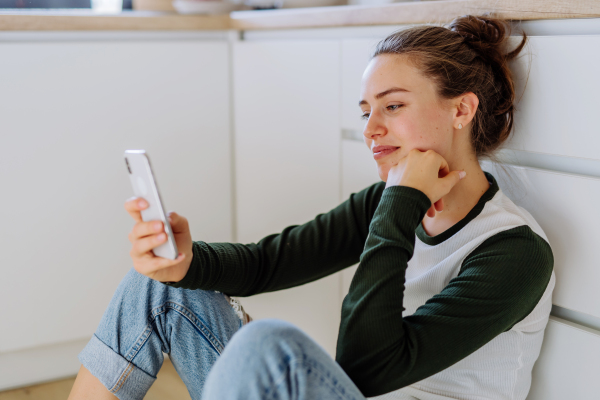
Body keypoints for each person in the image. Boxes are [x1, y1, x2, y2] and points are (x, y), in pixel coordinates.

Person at [68, 14, 555, 400]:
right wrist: (184, 261)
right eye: (366, 112)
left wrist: (401, 204)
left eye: (392, 106)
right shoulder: (384, 205)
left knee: (268, 348)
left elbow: (366, 368)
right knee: (158, 288)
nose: (370, 130)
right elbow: (269, 263)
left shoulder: (513, 251)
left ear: (461, 110)